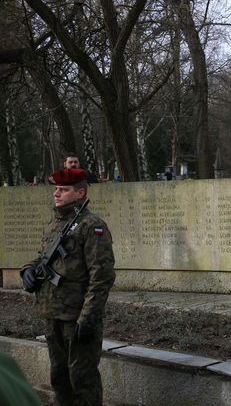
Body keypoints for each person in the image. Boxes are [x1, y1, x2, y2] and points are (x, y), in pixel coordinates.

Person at [20, 168, 115, 406]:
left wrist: (88, 318)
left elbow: (101, 277)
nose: (56, 194)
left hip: (77, 318)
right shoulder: (54, 223)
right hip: (53, 314)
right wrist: (28, 270)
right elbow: (43, 258)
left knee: (82, 381)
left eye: (63, 190)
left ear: (80, 192)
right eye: (55, 189)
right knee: (59, 379)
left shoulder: (92, 226)